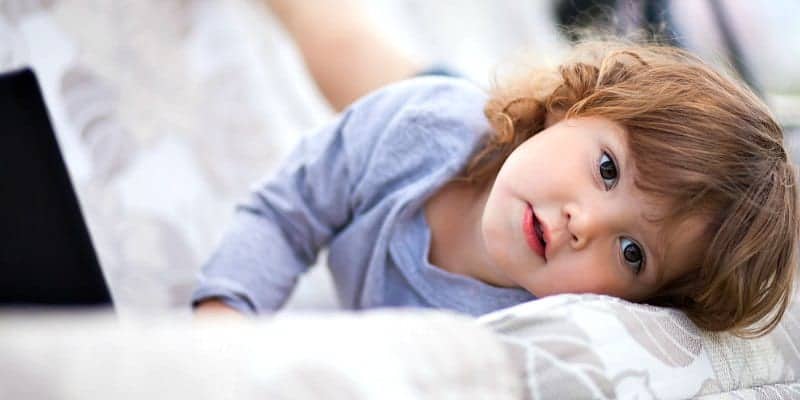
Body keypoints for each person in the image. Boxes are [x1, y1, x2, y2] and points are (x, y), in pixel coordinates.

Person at [193, 1, 798, 337]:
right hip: (464, 132)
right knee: (334, 37)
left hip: (512, 161)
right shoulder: (420, 127)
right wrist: (227, 314)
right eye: (609, 169)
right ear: (572, 105)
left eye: (633, 252)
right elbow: (288, 211)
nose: (583, 221)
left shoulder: (532, 331)